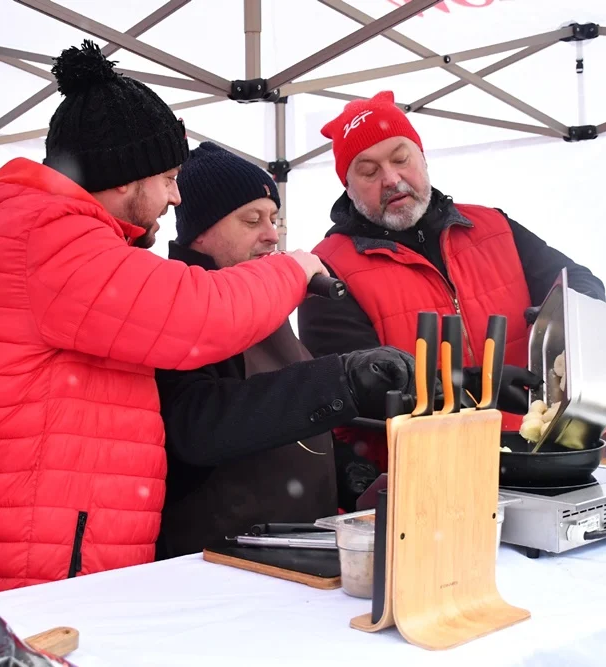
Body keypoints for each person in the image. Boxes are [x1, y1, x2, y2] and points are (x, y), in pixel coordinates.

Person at [0, 41, 330, 595]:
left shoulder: (45, 234)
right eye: (169, 177)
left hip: (37, 557)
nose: (176, 197)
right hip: (26, 570)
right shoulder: (48, 236)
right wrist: (295, 269)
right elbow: (198, 315)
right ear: (125, 178)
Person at [298, 90, 606, 470]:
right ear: (348, 186)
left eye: (400, 158)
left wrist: (566, 314)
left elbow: (578, 281)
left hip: (528, 458)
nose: (391, 179)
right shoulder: (328, 271)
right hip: (420, 476)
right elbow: (362, 392)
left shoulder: (492, 226)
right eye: (369, 171)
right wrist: (473, 384)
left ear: (423, 158)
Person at [153, 143, 416, 558]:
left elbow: (290, 420)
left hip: (294, 548)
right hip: (219, 561)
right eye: (251, 220)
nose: (272, 235)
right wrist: (339, 378)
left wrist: (348, 470)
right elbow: (198, 424)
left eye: (274, 219)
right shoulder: (179, 301)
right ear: (200, 232)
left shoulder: (261, 297)